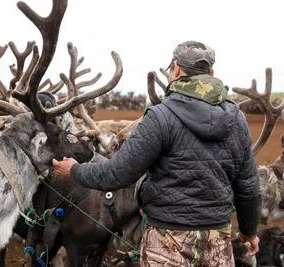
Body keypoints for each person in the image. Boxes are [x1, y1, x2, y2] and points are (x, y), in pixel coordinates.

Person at [52, 41, 261, 266]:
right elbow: (248, 187)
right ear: (212, 73)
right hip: (216, 241)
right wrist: (249, 232)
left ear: (177, 69)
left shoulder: (161, 116)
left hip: (167, 241)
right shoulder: (236, 119)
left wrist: (75, 170)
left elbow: (117, 174)